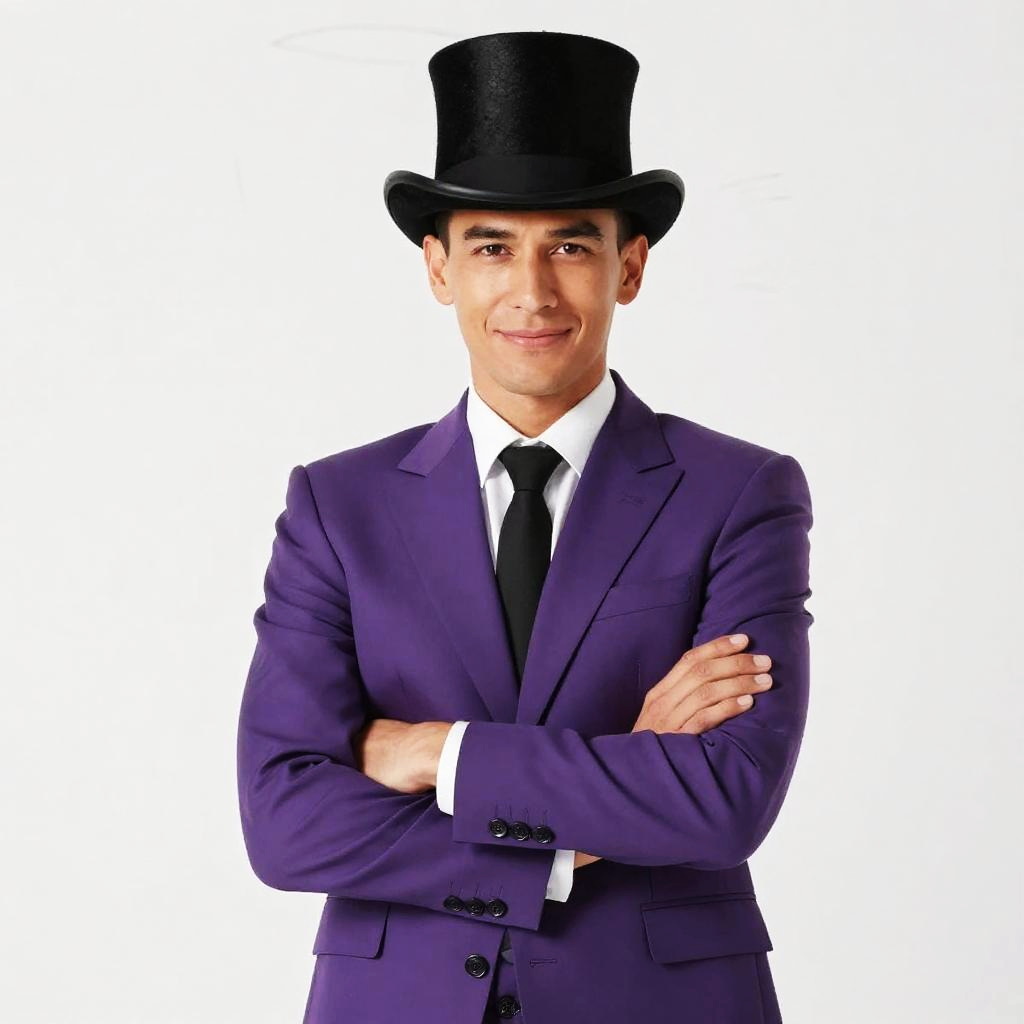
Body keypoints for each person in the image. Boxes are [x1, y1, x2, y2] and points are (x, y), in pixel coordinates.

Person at [236, 30, 813, 1024]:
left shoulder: (738, 492)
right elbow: (286, 820)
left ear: (629, 265)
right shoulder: (339, 505)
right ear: (439, 268)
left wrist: (439, 753)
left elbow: (725, 797)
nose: (532, 291)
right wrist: (575, 825)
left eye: (571, 247)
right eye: (492, 247)